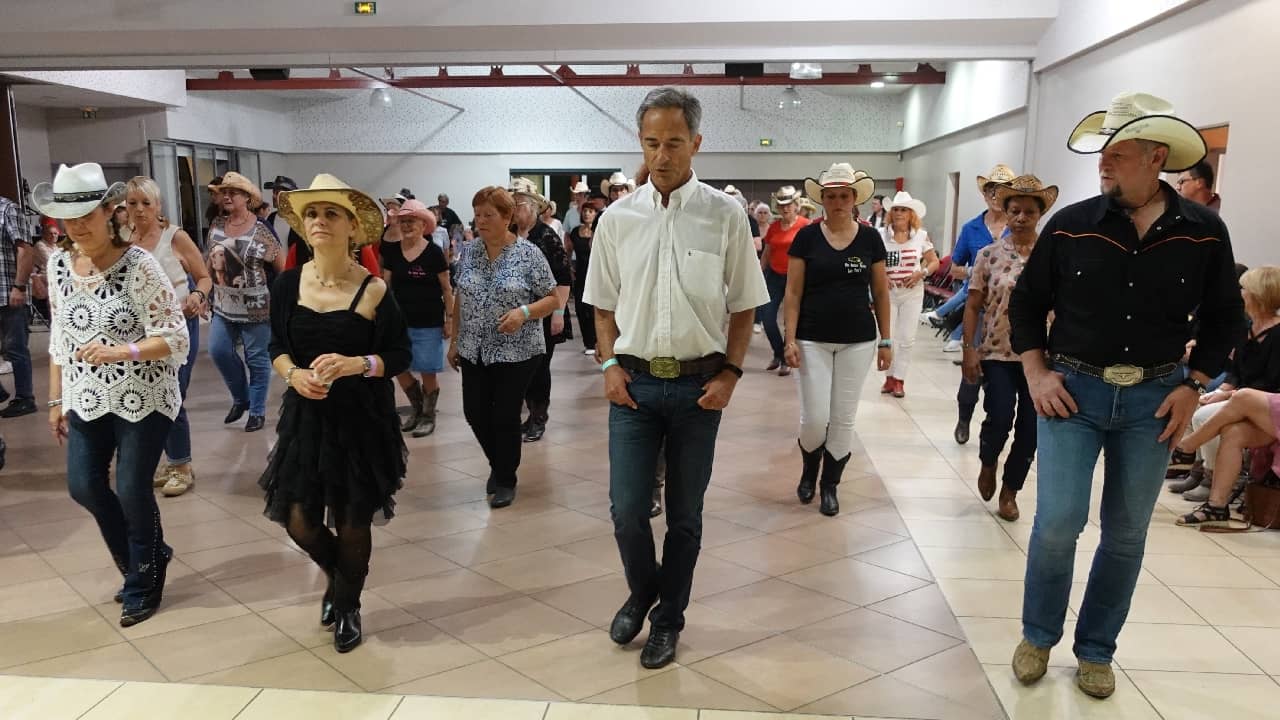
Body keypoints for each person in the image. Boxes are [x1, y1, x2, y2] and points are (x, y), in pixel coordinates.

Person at [1007, 92, 1242, 700]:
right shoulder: (1072, 223)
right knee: (1058, 523)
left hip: (1156, 400)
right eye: (1103, 155)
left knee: (1126, 532)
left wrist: (1195, 386)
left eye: (1118, 154)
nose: (1104, 165)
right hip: (1072, 392)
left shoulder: (1204, 233)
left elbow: (1225, 318)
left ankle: (1096, 650)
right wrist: (1036, 372)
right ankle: (1038, 634)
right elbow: (1028, 305)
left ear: (1156, 157)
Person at [584, 87, 768, 670]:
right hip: (632, 387)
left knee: (685, 515)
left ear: (696, 143)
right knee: (627, 510)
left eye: (674, 142)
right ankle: (643, 590)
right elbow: (603, 306)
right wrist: (610, 365)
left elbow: (744, 304)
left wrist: (733, 373)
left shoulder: (724, 214)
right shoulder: (618, 217)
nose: (661, 155)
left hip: (698, 389)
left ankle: (667, 619)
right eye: (651, 143)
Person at [261, 173, 410, 654]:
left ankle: (347, 604)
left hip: (362, 421)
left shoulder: (373, 290)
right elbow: (278, 347)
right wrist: (292, 375)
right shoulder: (287, 285)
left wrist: (358, 364)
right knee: (300, 521)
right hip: (307, 417)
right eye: (311, 214)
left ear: (352, 227)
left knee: (352, 522)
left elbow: (400, 356)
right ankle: (339, 577)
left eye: (331, 213)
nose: (319, 221)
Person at [37, 163, 189, 627]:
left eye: (87, 213)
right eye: (69, 218)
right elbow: (59, 338)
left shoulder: (139, 265)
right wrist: (56, 399)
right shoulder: (58, 263)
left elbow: (176, 338)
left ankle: (141, 579)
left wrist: (122, 350)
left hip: (143, 395)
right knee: (83, 485)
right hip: (85, 396)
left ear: (109, 212)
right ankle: (149, 554)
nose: (79, 226)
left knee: (131, 489)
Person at [783, 164, 890, 516]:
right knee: (815, 417)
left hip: (857, 339)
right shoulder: (807, 238)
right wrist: (789, 339)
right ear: (823, 200)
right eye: (831, 196)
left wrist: (886, 341)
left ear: (855, 198)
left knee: (843, 417)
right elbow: (793, 292)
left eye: (845, 195)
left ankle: (830, 485)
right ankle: (809, 469)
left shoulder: (871, 238)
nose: (838, 201)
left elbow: (881, 291)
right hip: (812, 337)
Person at [449, 186, 558, 509]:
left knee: (505, 416)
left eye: (488, 215)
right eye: (477, 215)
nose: (480, 221)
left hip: (518, 351)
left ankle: (505, 478)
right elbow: (460, 299)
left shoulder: (529, 254)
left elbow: (553, 298)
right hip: (474, 348)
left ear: (508, 217)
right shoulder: (469, 252)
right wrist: (454, 340)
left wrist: (524, 313)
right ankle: (499, 464)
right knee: (475, 412)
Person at [961, 175, 1058, 522]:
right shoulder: (989, 254)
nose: (1021, 217)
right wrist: (968, 349)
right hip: (997, 352)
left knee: (1031, 429)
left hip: (1040, 357)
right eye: (1014, 210)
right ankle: (989, 461)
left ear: (1039, 214)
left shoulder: (1052, 257)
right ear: (1006, 212)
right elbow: (973, 305)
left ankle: (1010, 490)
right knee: (999, 416)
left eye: (1028, 212)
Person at [125, 176, 212, 497]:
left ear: (158, 206)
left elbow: (204, 277)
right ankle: (168, 460)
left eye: (146, 203)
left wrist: (197, 297)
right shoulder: (122, 240)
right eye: (132, 203)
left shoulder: (175, 237)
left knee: (173, 393)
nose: (139, 210)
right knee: (147, 396)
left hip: (175, 326)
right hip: (138, 330)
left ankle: (181, 465)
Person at [1172, 266, 1280, 525]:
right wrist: (1220, 394)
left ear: (1257, 294)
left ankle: (1186, 448)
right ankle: (1216, 505)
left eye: (1244, 288)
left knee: (1240, 398)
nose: (1239, 293)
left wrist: (1232, 397)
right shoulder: (1246, 329)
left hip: (1265, 401)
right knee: (1232, 431)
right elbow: (1236, 374)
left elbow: (1273, 384)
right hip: (1257, 406)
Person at [926, 164, 1018, 442]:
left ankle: (994, 426)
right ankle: (964, 419)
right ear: (984, 194)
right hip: (977, 306)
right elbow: (955, 268)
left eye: (1001, 190)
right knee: (972, 368)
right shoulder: (972, 228)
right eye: (991, 190)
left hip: (1008, 312)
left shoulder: (1017, 226)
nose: (995, 195)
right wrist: (980, 273)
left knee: (1002, 373)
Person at [205, 172, 285, 433]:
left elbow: (280, 267)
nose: (227, 196)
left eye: (233, 192)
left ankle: (258, 411)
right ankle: (241, 399)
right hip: (223, 304)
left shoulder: (262, 229)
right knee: (218, 350)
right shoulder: (217, 224)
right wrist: (205, 291)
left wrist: (282, 301)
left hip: (256, 306)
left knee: (257, 359)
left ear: (247, 198)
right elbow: (210, 260)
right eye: (224, 192)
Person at [381, 198, 453, 438]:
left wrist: (450, 318)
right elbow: (384, 286)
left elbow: (446, 288)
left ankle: (428, 416)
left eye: (411, 221)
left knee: (427, 370)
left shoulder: (433, 252)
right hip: (399, 321)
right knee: (399, 366)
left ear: (424, 224)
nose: (406, 226)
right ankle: (417, 408)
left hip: (429, 320)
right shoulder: (392, 251)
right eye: (403, 221)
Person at [510, 178, 572, 444]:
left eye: (520, 204)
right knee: (523, 367)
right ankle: (529, 416)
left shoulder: (546, 237)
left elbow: (564, 278)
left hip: (546, 312)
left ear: (534, 207)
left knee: (539, 367)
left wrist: (558, 314)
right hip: (519, 314)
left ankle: (538, 417)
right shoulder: (509, 235)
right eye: (511, 205)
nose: (515, 210)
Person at [880, 191, 938, 398]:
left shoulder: (921, 236)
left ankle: (899, 380)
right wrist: (881, 277)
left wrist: (920, 273)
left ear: (911, 213)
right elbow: (873, 262)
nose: (899, 213)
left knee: (907, 338)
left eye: (903, 210)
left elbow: (934, 262)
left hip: (912, 292)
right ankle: (888, 377)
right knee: (888, 337)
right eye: (896, 209)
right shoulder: (881, 234)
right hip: (888, 293)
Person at [760, 186, 809, 376]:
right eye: (781, 206)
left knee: (791, 320)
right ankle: (779, 353)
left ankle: (787, 357)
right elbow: (767, 252)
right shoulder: (774, 227)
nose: (785, 209)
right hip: (774, 275)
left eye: (788, 205)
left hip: (796, 277)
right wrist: (759, 273)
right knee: (767, 317)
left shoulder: (806, 225)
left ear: (796, 206)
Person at [0, 191, 35, 417]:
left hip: (7, 293)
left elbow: (25, 249)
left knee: (15, 349)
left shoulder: (7, 210)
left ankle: (25, 398)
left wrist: (19, 286)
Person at [567, 203, 600, 355]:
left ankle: (597, 341)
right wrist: (568, 267)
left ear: (595, 214)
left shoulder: (599, 231)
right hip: (580, 273)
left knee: (593, 308)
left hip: (595, 273)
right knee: (580, 308)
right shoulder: (575, 232)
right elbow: (568, 250)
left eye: (591, 211)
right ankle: (588, 343)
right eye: (585, 211)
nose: (587, 214)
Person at [263, 175, 304, 253]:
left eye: (278, 193)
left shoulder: (300, 219)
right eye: (273, 192)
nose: (274, 196)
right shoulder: (270, 218)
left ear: (289, 196)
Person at [29, 218, 58, 324]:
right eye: (51, 234)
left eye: (55, 233)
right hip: (39, 278)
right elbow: (51, 261)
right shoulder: (40, 245)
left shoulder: (55, 247)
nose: (54, 236)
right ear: (44, 234)